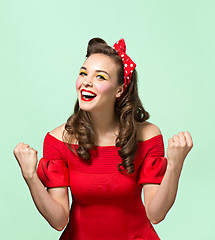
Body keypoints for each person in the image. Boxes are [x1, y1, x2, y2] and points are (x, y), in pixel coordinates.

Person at [13, 37, 193, 240]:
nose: (86, 82)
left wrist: (175, 166)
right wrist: (30, 177)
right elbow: (58, 220)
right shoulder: (58, 140)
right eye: (83, 73)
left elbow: (156, 214)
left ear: (119, 89)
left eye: (100, 77)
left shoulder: (147, 136)